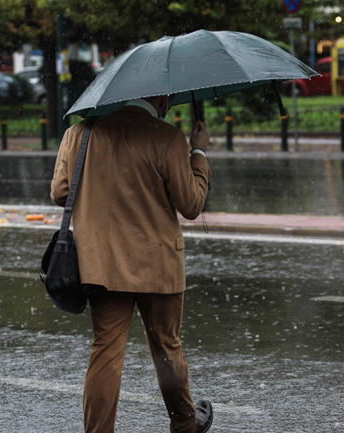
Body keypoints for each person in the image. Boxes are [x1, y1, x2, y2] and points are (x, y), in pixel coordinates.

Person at [50, 94, 213, 433]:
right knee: (166, 345)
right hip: (158, 264)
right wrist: (198, 152)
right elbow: (191, 204)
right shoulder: (166, 137)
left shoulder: (79, 133)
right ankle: (184, 423)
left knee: (105, 350)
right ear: (163, 97)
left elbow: (61, 192)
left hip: (103, 264)